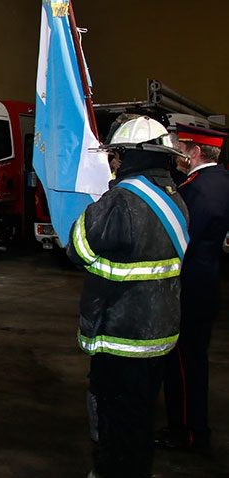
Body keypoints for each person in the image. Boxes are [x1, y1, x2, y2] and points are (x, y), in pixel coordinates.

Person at [66, 116, 189, 477]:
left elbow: (77, 248)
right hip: (159, 334)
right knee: (140, 419)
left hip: (120, 335)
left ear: (132, 156)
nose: (113, 162)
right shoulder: (175, 199)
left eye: (117, 155)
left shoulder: (122, 200)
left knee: (116, 424)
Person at [158, 123, 229, 451]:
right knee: (190, 362)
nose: (177, 157)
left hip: (190, 288)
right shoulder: (220, 181)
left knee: (184, 366)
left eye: (180, 150)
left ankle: (187, 432)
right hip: (205, 284)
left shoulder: (199, 190)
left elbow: (182, 237)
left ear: (195, 152)